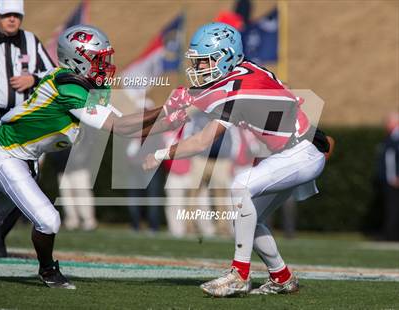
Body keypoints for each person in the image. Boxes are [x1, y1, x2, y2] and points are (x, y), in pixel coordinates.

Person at [0, 24, 189, 289]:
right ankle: (48, 271)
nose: (105, 65)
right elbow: (121, 125)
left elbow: (124, 126)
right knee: (48, 220)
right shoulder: (70, 87)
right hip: (6, 154)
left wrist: (169, 122)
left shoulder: (83, 84)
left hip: (23, 158)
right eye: (99, 60)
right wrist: (167, 108)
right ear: (78, 59)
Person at [143, 22, 333, 297]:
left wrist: (160, 151)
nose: (198, 69)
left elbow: (202, 140)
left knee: (240, 185)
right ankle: (282, 277)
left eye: (205, 62)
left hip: (300, 151)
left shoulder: (239, 86)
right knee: (245, 219)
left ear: (227, 56)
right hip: (289, 154)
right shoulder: (237, 79)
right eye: (197, 63)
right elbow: (202, 139)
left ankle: (239, 274)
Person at [0, 0, 55, 257]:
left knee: (26, 179)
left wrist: (32, 78)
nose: (12, 20)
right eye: (7, 15)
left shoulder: (31, 41)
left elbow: (53, 73)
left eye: (17, 16)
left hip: (20, 120)